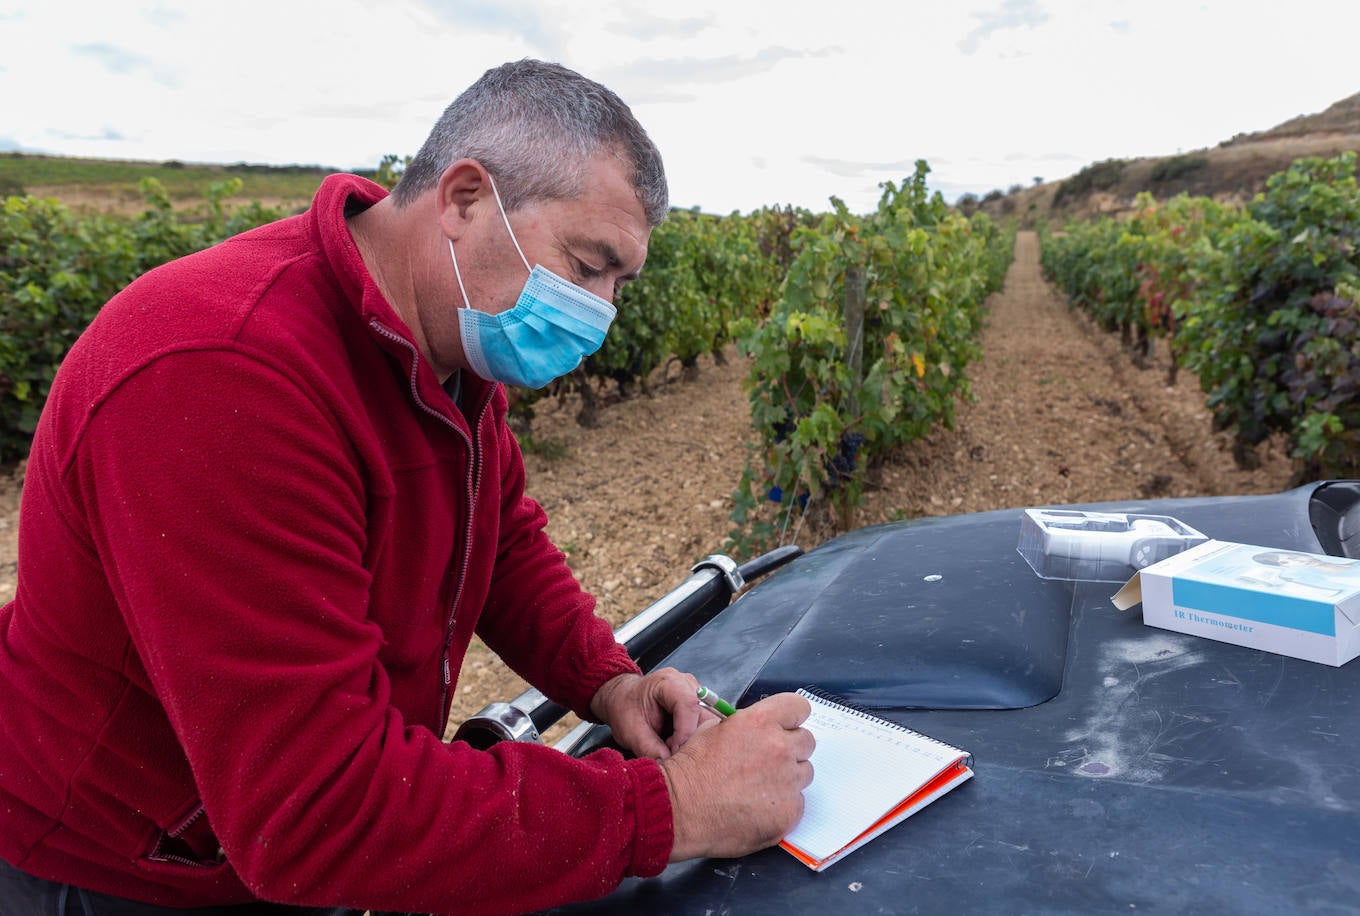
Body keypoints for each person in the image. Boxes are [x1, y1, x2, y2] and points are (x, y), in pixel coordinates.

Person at [0, 60, 815, 916]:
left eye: (619, 286)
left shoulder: (443, 346)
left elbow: (498, 543)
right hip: (117, 866)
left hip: (247, 840)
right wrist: (676, 808)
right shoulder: (224, 376)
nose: (601, 316)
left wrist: (610, 685)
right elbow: (314, 812)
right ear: (465, 199)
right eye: (586, 266)